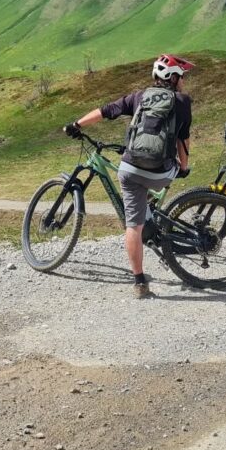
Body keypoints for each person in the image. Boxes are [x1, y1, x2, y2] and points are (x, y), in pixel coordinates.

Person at [64, 54, 193, 299]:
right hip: (162, 174)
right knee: (165, 174)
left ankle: (140, 283)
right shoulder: (182, 101)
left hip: (131, 169)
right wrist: (183, 168)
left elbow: (106, 111)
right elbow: (182, 139)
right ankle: (152, 210)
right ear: (173, 78)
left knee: (133, 225)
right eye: (182, 77)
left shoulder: (138, 97)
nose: (183, 82)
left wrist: (77, 124)